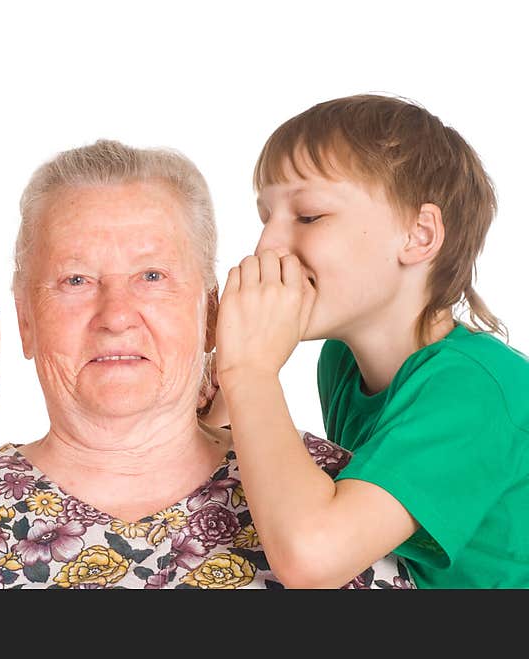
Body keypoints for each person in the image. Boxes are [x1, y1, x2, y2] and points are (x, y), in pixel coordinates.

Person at [0, 139, 411, 589]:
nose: (115, 314)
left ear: (210, 314)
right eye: (75, 280)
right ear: (25, 322)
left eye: (152, 277)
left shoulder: (340, 496)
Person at [214, 94, 529, 588]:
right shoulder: (339, 361)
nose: (267, 246)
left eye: (309, 216)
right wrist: (220, 376)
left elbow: (313, 557)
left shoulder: (475, 391)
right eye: (265, 218)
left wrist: (250, 373)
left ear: (419, 236)